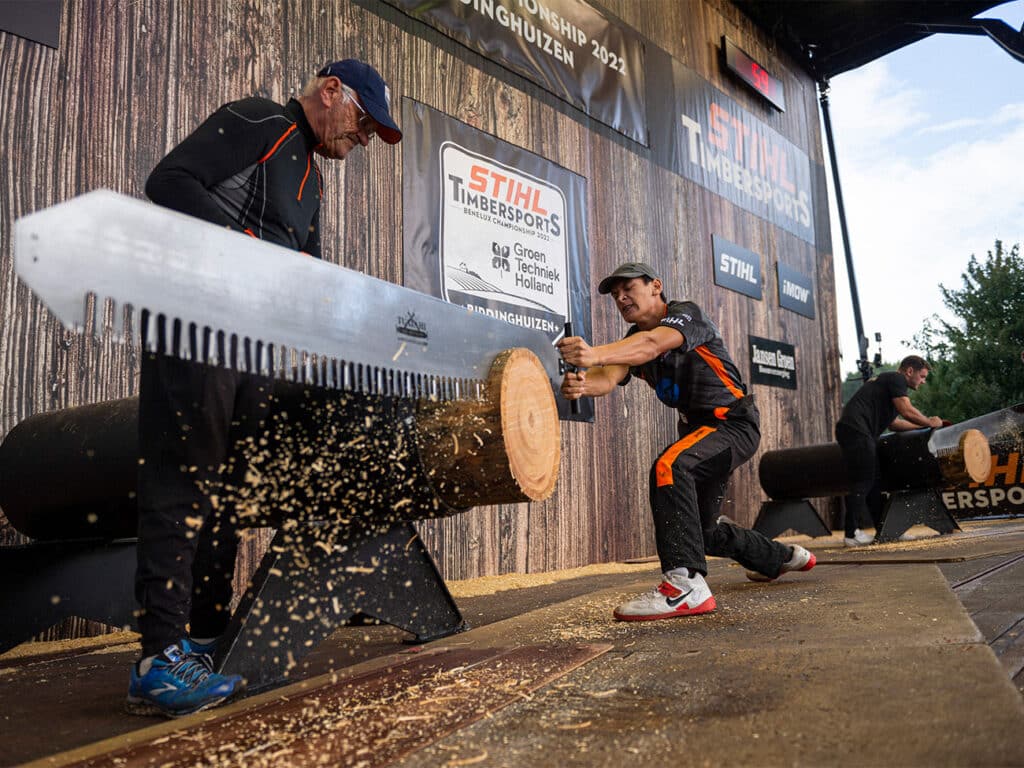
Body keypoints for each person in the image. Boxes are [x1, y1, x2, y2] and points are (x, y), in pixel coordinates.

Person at [129, 59, 402, 717]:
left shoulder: (312, 180)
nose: (364, 139)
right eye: (365, 122)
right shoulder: (258, 121)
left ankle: (201, 638)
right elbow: (166, 181)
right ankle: (157, 659)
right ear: (330, 91)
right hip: (192, 321)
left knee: (234, 485)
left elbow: (308, 275)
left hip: (248, 342)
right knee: (183, 479)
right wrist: (246, 246)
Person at [557, 262, 816, 622]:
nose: (620, 296)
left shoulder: (685, 315)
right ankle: (779, 557)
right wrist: (583, 384)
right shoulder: (633, 340)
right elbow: (608, 377)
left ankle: (685, 584)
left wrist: (595, 353)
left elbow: (650, 345)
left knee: (669, 467)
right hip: (700, 433)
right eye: (615, 294)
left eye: (627, 287)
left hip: (732, 424)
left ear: (655, 286)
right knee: (704, 532)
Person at [835, 356, 943, 546]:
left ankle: (886, 531)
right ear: (910, 371)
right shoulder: (896, 378)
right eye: (922, 376)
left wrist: (921, 429)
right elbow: (907, 411)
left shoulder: (888, 389)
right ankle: (851, 534)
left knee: (875, 483)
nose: (923, 381)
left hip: (858, 432)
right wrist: (930, 422)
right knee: (863, 481)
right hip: (856, 431)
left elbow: (894, 424)